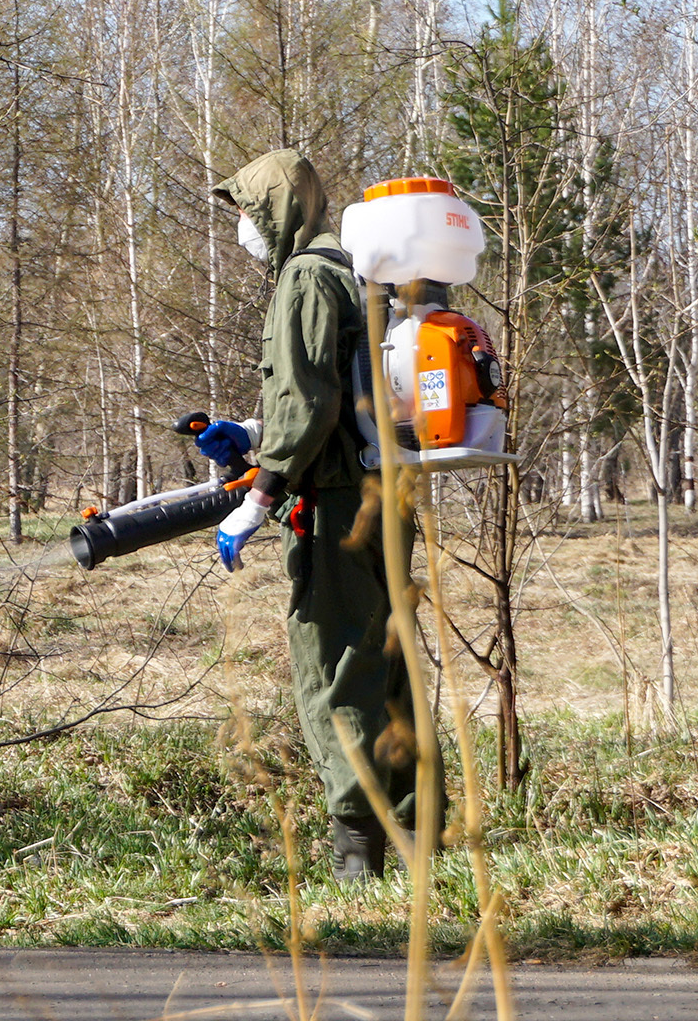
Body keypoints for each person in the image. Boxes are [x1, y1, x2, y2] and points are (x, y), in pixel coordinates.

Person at [198, 148, 443, 880]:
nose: (240, 227)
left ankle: (357, 854)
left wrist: (260, 496)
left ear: (275, 208)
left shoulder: (306, 276)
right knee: (386, 663)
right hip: (380, 493)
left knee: (336, 667)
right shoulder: (354, 272)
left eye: (244, 211)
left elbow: (307, 403)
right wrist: (249, 437)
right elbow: (329, 396)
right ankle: (413, 836)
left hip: (333, 505)